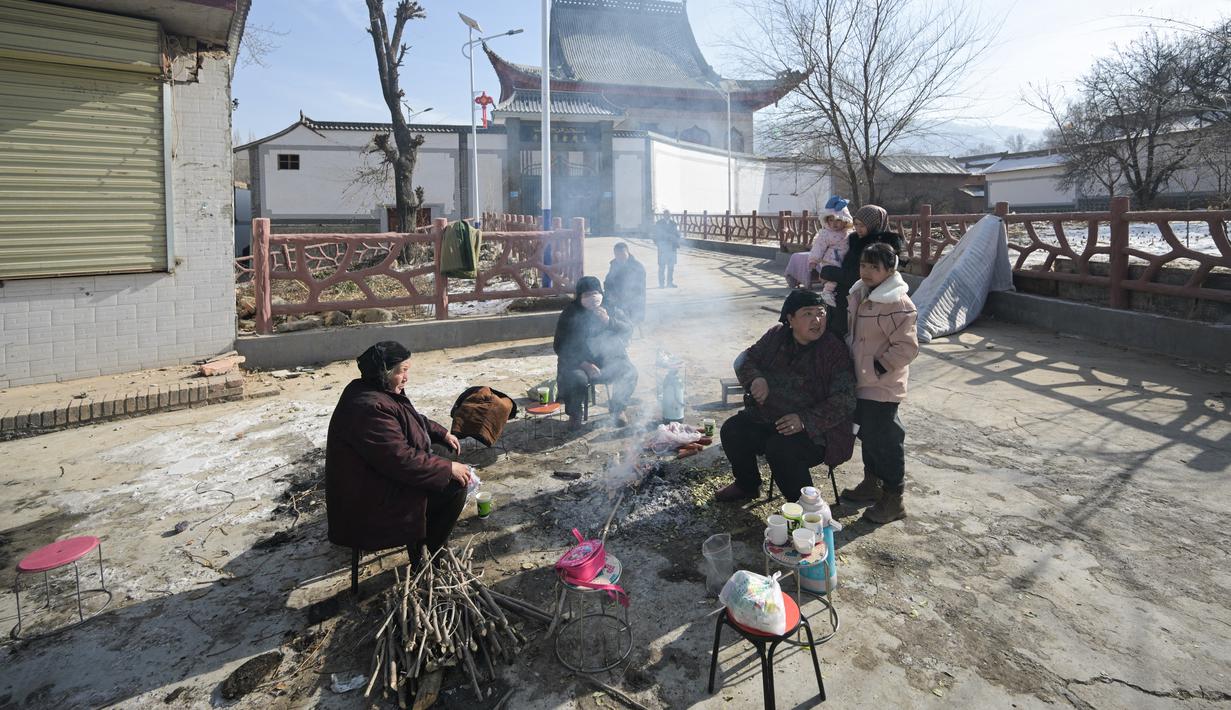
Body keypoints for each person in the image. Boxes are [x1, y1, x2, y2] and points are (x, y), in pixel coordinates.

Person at [325, 341, 473, 567]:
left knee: (446, 451)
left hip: (376, 475)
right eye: (402, 371)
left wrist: (441, 433)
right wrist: (446, 469)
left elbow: (409, 418)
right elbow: (400, 459)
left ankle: (426, 534)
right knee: (455, 487)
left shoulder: (376, 390)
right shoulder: (369, 408)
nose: (406, 378)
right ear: (384, 373)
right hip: (368, 501)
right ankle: (429, 552)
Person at [716, 290, 857, 503]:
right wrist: (755, 379)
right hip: (768, 418)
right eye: (807, 314)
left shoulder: (833, 350)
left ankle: (806, 510)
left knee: (781, 449)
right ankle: (747, 485)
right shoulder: (776, 336)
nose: (817, 320)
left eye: (821, 313)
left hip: (816, 432)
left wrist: (804, 420)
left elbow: (845, 399)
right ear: (790, 319)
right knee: (733, 429)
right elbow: (745, 359)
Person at [840, 242, 919, 524]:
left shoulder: (898, 304)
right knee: (867, 435)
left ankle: (893, 498)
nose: (868, 271)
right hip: (861, 380)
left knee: (886, 439)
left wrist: (878, 366)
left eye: (875, 267)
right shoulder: (860, 294)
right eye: (864, 265)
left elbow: (906, 348)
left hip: (882, 384)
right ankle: (871, 484)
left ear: (891, 269)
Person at [553, 276, 638, 429]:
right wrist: (584, 364)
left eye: (595, 293)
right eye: (586, 295)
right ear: (579, 297)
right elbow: (559, 346)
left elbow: (629, 329)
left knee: (629, 371)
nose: (592, 298)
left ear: (600, 293)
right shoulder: (570, 313)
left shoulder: (611, 307)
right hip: (580, 363)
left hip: (608, 360)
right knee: (575, 378)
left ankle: (618, 409)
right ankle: (575, 414)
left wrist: (609, 321)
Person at [819, 204, 904, 338]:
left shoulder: (881, 247)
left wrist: (827, 271)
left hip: (863, 300)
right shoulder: (854, 240)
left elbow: (860, 276)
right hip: (843, 296)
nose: (858, 229)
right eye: (856, 224)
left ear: (874, 224)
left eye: (862, 225)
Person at [784, 196, 854, 300]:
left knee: (842, 278)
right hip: (831, 260)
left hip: (844, 260)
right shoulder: (826, 234)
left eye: (838, 220)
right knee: (832, 279)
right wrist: (814, 260)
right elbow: (818, 247)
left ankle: (840, 294)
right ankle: (827, 292)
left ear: (845, 221)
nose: (834, 223)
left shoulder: (848, 233)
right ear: (827, 221)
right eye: (831, 220)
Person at [603, 242, 646, 326]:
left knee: (623, 308)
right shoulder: (614, 264)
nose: (619, 257)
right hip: (616, 298)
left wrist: (623, 296)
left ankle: (624, 328)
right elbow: (608, 282)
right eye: (617, 254)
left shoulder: (637, 267)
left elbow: (639, 289)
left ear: (627, 252)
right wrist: (609, 294)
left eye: (622, 254)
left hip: (633, 301)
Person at [652, 210, 681, 288]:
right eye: (666, 214)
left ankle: (670, 283)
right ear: (663, 215)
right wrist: (658, 244)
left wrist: (677, 240)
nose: (667, 216)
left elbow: (677, 234)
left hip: (672, 247)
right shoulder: (659, 223)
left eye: (669, 214)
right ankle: (661, 284)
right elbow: (654, 235)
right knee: (662, 266)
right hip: (662, 247)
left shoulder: (674, 223)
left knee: (671, 266)